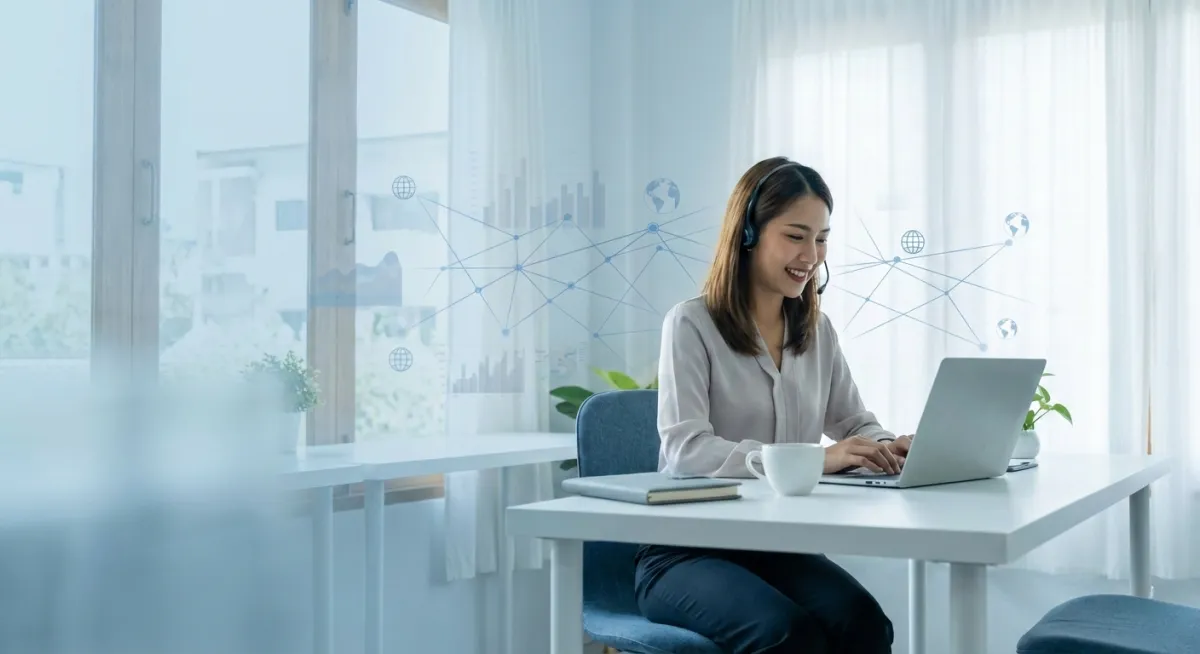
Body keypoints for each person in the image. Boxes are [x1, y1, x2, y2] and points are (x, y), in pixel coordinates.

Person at [635, 157, 909, 654]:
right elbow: (686, 450)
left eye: (822, 237)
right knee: (787, 636)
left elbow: (852, 421)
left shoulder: (817, 331)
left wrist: (887, 446)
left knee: (864, 624)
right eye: (796, 235)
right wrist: (816, 458)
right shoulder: (691, 325)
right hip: (686, 553)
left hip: (774, 546)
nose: (812, 254)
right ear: (747, 234)